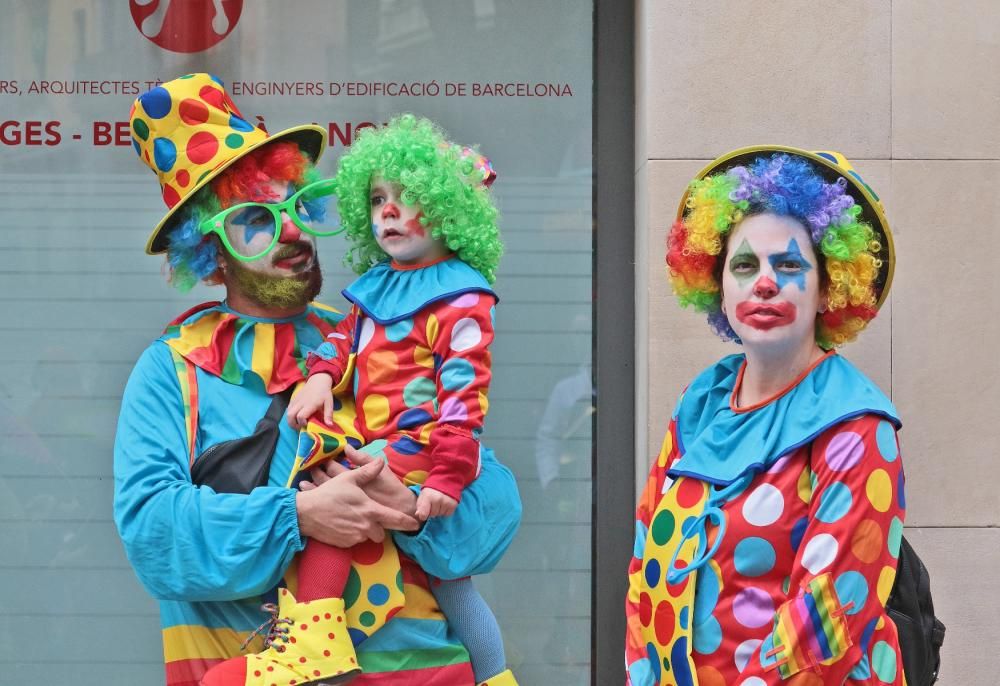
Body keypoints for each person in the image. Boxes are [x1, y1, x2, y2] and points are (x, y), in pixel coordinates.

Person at [114, 74, 521, 686]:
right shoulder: (171, 369)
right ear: (211, 250)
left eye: (298, 206)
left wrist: (415, 505)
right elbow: (154, 535)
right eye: (256, 220)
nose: (294, 232)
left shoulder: (374, 332)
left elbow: (493, 508)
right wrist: (299, 515)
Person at [625, 147, 906, 686]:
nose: (765, 283)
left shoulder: (856, 424)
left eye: (790, 265)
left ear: (829, 289)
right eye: (745, 265)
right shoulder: (701, 402)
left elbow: (828, 620)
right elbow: (645, 569)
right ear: (718, 286)